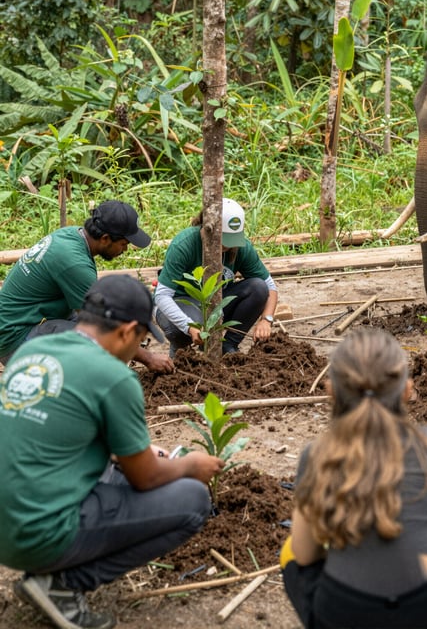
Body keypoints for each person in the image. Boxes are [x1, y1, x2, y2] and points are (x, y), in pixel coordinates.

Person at [0, 274, 224, 629]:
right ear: (127, 332)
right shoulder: (114, 376)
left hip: (6, 526)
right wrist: (188, 465)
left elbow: (58, 432)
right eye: (141, 340)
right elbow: (146, 477)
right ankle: (62, 584)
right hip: (35, 534)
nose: (137, 351)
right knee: (192, 500)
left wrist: (132, 450)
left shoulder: (31, 352)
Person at [281, 328, 427, 629]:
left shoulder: (318, 454)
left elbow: (306, 555)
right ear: (408, 390)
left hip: (346, 614)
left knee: (290, 554)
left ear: (331, 390)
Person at [0, 200, 172, 374]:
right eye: (123, 244)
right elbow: (102, 328)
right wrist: (149, 358)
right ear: (105, 239)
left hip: (32, 321)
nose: (125, 250)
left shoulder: (71, 235)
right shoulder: (74, 264)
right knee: (100, 345)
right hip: (16, 340)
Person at [154, 198, 278, 357]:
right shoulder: (183, 245)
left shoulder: (240, 247)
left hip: (217, 301)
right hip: (181, 301)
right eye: (223, 238)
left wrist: (266, 320)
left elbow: (270, 287)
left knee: (258, 288)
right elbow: (162, 296)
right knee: (183, 328)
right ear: (207, 228)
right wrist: (188, 327)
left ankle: (228, 346)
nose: (227, 246)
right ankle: (180, 352)